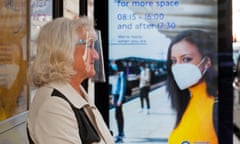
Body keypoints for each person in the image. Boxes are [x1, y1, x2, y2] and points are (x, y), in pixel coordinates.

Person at [26, 16, 114, 144]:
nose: (96, 55)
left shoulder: (76, 92)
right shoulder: (53, 106)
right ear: (64, 49)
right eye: (89, 46)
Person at [166, 30, 218, 144]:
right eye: (174, 61)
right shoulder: (187, 101)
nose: (178, 67)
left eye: (186, 59)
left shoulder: (217, 106)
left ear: (207, 61)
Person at [109, 61, 126, 143]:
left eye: (114, 63)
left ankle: (120, 134)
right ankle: (121, 133)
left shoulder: (122, 74)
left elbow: (123, 87)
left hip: (119, 96)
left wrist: (120, 99)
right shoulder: (115, 74)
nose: (113, 65)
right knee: (118, 115)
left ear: (118, 64)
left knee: (118, 115)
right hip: (115, 96)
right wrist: (112, 97)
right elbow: (113, 87)